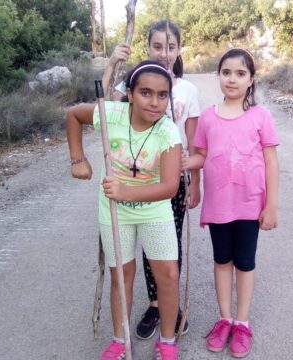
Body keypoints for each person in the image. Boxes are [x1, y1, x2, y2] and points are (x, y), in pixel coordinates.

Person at [67, 60, 182, 360]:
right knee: (122, 274)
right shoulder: (111, 114)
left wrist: (126, 191)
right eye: (146, 92)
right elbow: (73, 115)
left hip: (154, 210)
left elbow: (170, 186)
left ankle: (168, 342)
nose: (155, 102)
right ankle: (120, 340)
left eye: (162, 95)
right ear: (130, 93)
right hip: (115, 211)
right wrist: (78, 159)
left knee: (168, 275)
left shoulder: (168, 132)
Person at [102, 19, 200, 340]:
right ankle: (155, 304)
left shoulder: (187, 89)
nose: (164, 53)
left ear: (179, 49)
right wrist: (112, 64)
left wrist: (194, 181)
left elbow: (193, 140)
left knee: (167, 244)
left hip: (171, 177)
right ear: (148, 47)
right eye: (157, 46)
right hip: (135, 175)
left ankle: (169, 303)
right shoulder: (134, 82)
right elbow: (105, 110)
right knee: (142, 248)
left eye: (171, 47)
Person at [182, 48, 280, 358]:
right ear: (219, 76)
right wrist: (182, 164)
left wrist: (272, 205)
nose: (232, 79)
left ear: (251, 79)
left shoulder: (260, 116)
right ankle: (224, 318)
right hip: (219, 204)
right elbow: (200, 155)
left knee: (245, 262)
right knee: (222, 259)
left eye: (240, 73)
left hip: (250, 205)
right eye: (226, 72)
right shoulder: (209, 116)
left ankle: (242, 322)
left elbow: (271, 162)